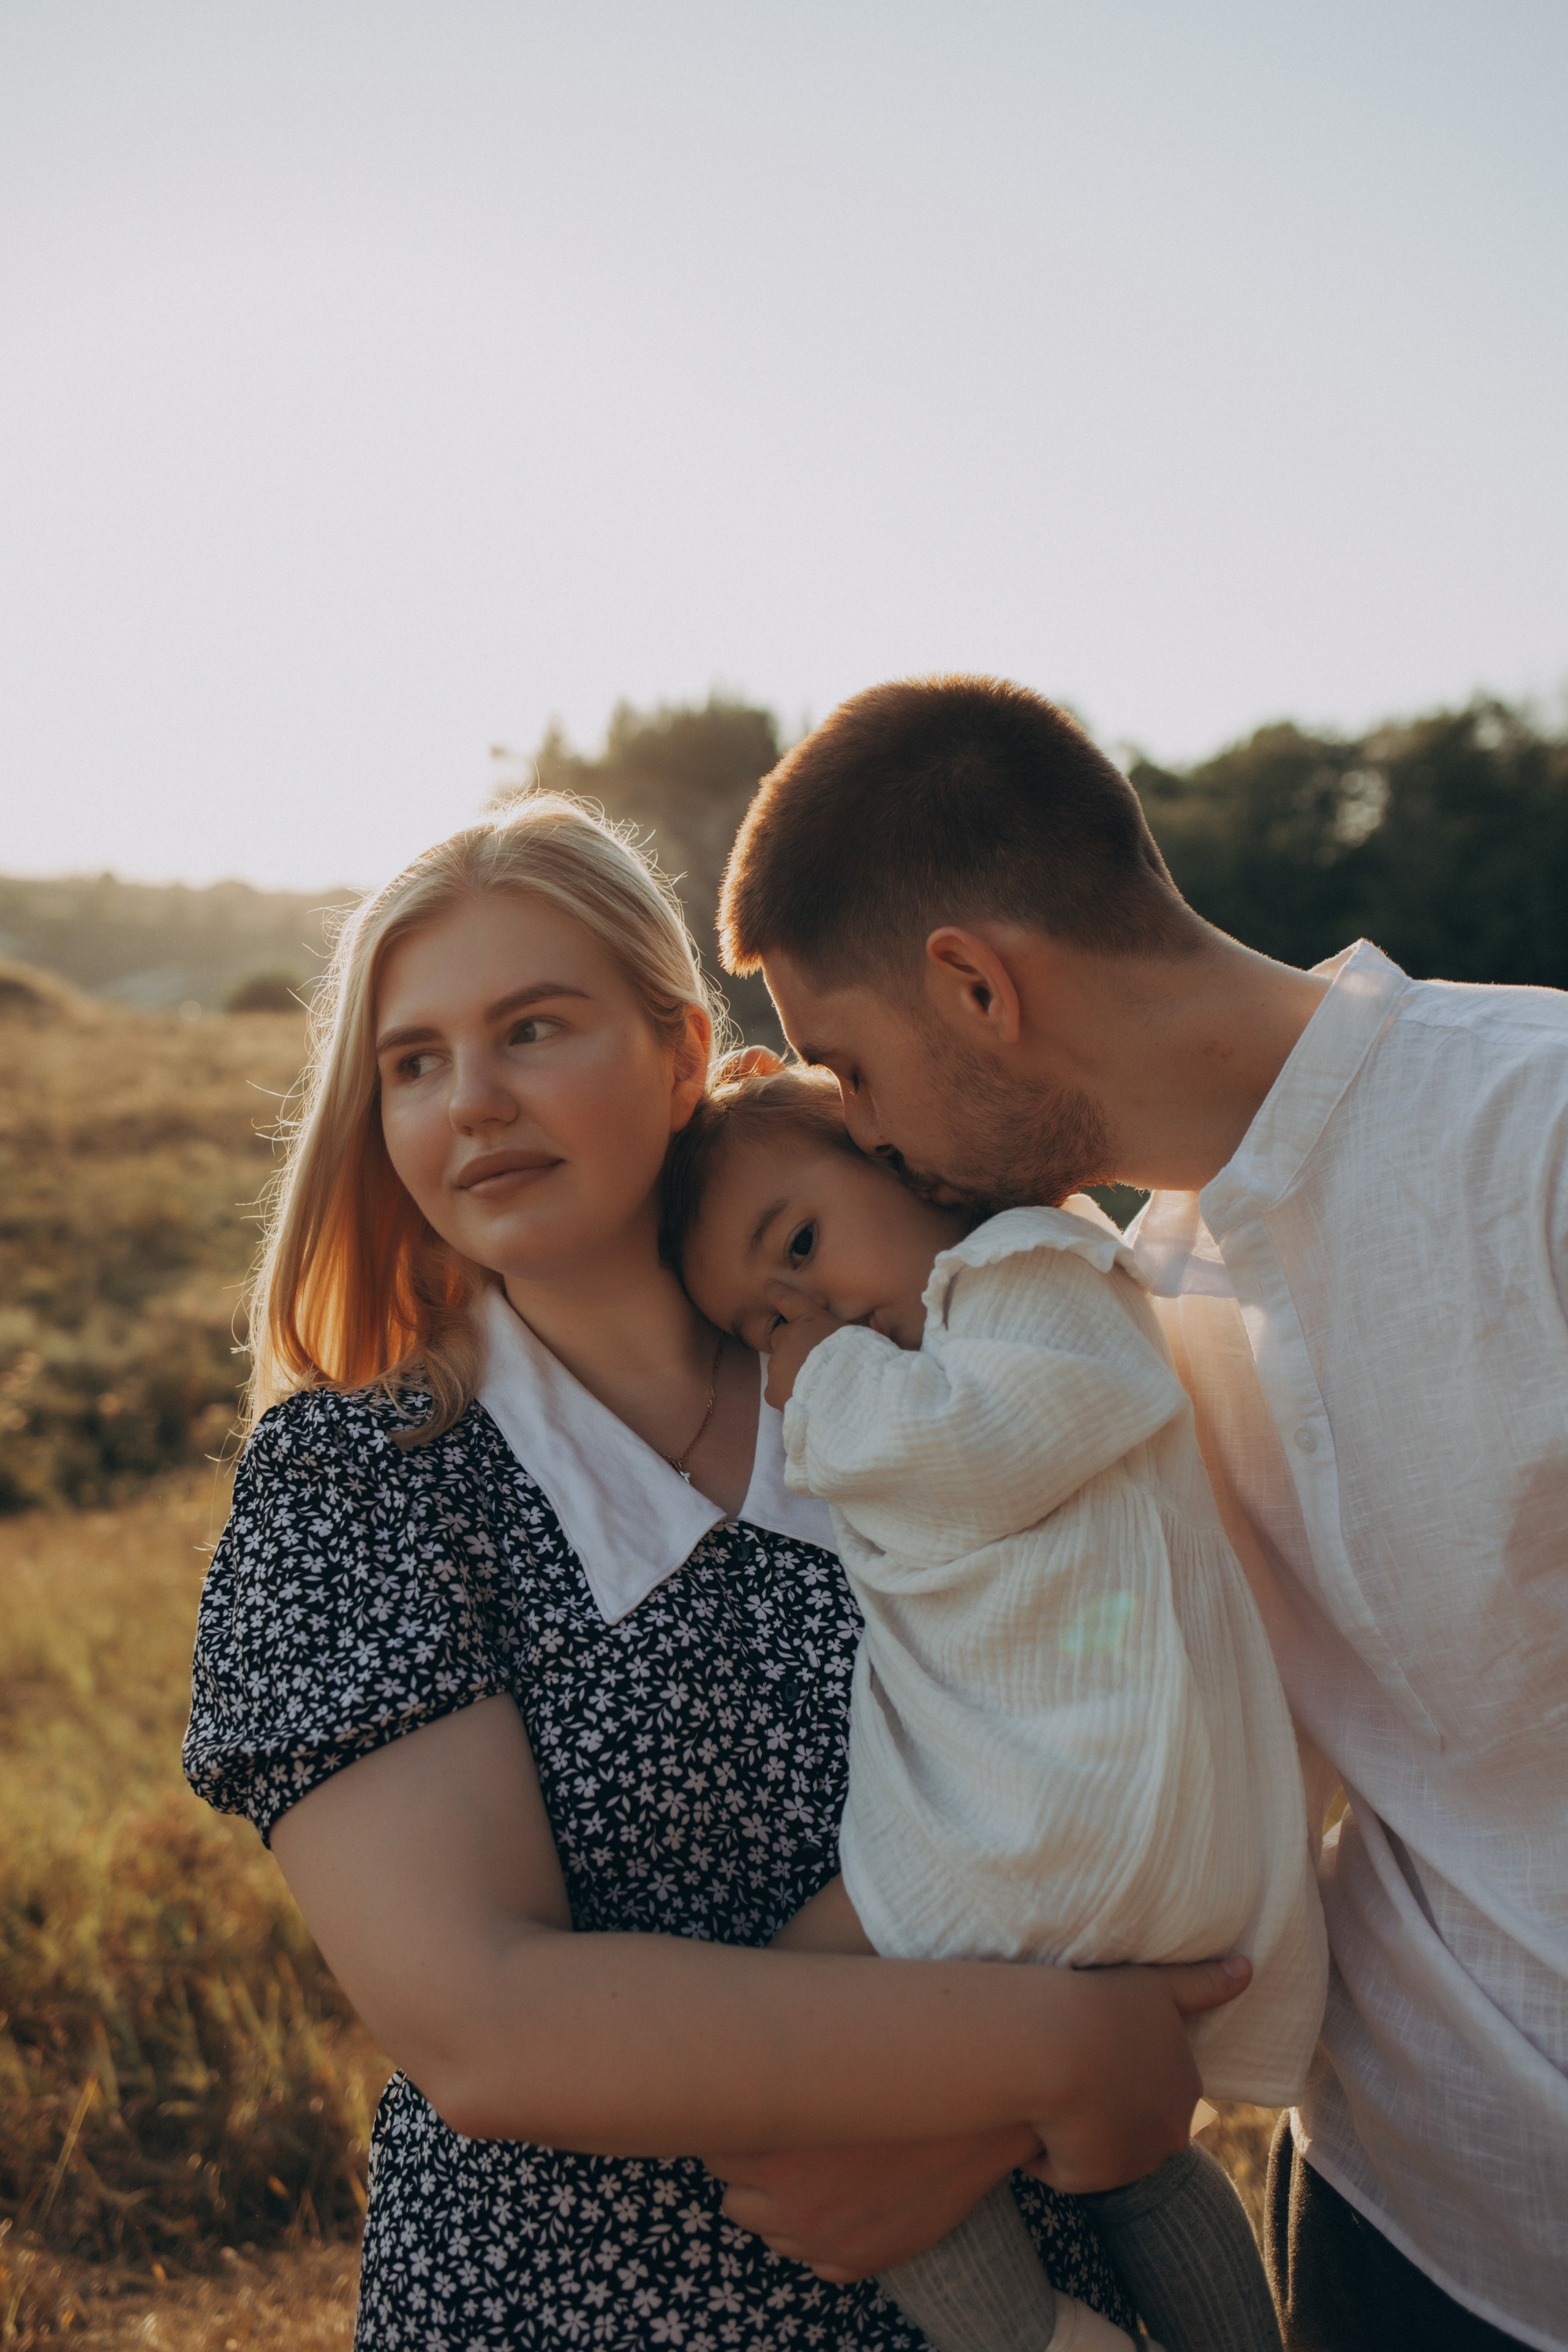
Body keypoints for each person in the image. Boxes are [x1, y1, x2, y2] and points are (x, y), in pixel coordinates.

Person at [182, 793, 1249, 2351]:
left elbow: (1141, 1710)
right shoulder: (360, 1484)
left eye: (532, 1029)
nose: (470, 1102)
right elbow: (489, 2025)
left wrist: (992, 2120)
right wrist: (1065, 2048)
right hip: (586, 2308)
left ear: (683, 1054)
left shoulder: (924, 1355)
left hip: (1037, 2265)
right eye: (412, 1063)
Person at [714, 674, 1568, 2352]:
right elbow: (1163, 1760)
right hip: (1406, 2222)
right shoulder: (1124, 1301)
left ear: (974, 983)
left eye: (854, 1067)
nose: (860, 1129)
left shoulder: (1535, 1137)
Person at [663, 1060, 1329, 2352]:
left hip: (1061, 1825)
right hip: (1080, 1812)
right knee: (1129, 2164)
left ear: (903, 1164)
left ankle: (1037, 2342)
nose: (806, 1320)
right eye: (759, 1324)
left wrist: (825, 1387)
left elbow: (972, 1449)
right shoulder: (953, 1330)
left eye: (799, 1243)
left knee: (765, 2062)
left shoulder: (1030, 1269)